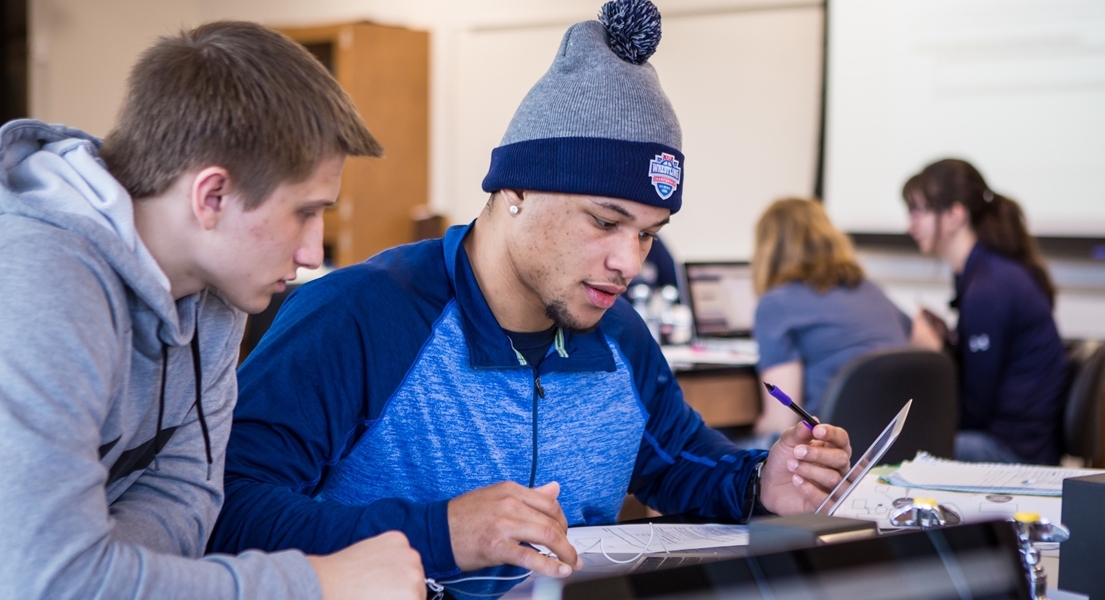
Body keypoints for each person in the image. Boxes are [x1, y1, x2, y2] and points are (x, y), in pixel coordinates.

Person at [209, 1, 852, 596]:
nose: (629, 262)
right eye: (604, 222)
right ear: (515, 189)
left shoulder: (618, 332)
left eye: (648, 234)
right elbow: (230, 507)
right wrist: (442, 533)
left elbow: (677, 459)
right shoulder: (360, 315)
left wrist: (758, 481)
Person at [0, 22, 425, 600]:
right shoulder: (37, 278)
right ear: (213, 196)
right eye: (305, 211)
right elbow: (50, 582)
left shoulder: (214, 292)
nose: (311, 252)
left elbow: (186, 498)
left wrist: (100, 565)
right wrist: (317, 583)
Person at [901, 158, 1068, 465]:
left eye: (918, 211)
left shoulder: (989, 287)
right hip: (1009, 440)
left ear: (954, 215)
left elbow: (974, 412)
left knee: (906, 449)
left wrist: (936, 354)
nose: (909, 225)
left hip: (1015, 453)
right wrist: (950, 343)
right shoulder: (987, 273)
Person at [750, 198, 940, 444]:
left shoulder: (775, 304)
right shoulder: (869, 290)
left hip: (830, 449)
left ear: (768, 250)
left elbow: (780, 421)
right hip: (894, 447)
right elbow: (932, 347)